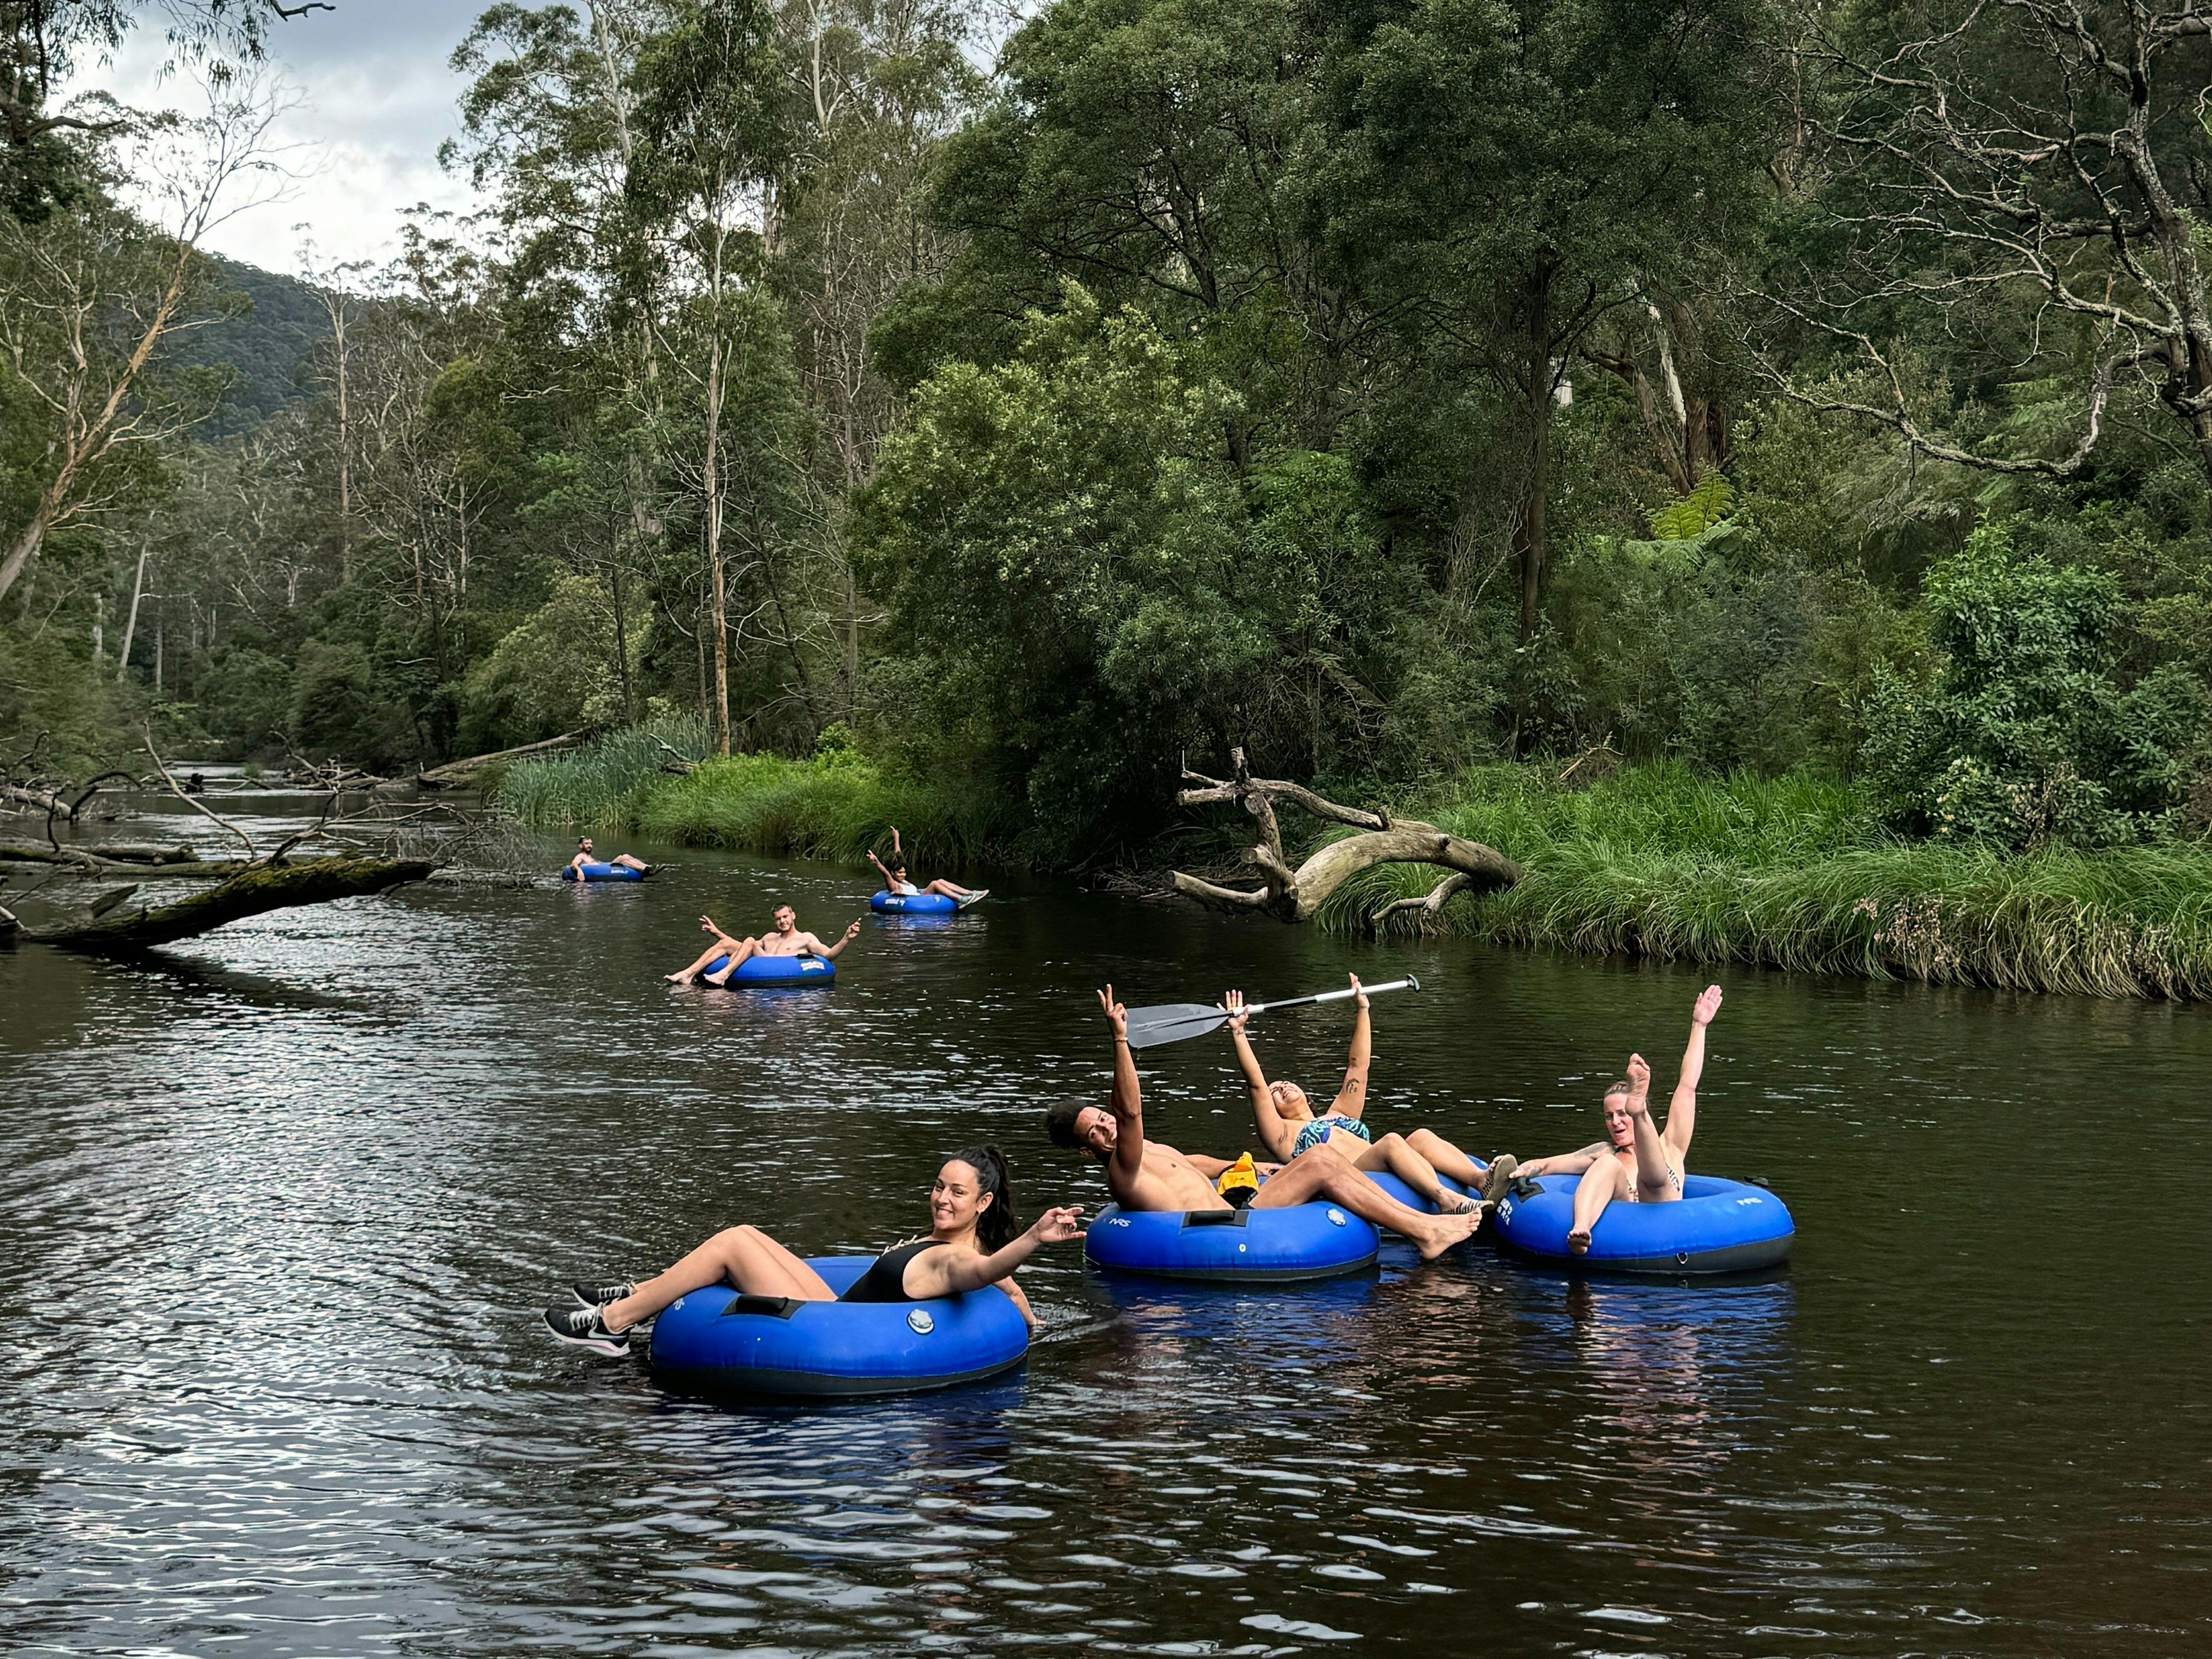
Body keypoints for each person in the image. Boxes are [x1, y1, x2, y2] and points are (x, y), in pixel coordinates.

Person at [1044, 988, 1485, 1260]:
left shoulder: (1146, 1150)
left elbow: (1187, 1162)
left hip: (1243, 1199)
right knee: (1320, 1162)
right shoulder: (1122, 1171)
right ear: (1088, 1151)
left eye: (1103, 1118)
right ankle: (1425, 1230)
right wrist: (1120, 1040)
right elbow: (1132, 1112)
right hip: (1230, 1223)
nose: (1108, 1129)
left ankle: (1426, 1219)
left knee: (1322, 1156)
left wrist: (1250, 1166)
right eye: (1096, 1133)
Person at [545, 1146, 1083, 1355]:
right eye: (939, 1185)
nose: (942, 1198)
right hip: (836, 1304)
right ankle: (640, 1293)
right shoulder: (943, 1242)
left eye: (957, 1193)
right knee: (747, 1232)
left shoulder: (957, 1259)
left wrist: (1034, 1238)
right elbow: (1005, 1284)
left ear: (983, 1202)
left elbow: (987, 1270)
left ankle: (613, 1324)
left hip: (830, 1325)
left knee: (733, 1243)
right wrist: (1030, 1320)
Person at [1482, 985, 1723, 1254]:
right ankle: (1581, 1229)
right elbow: (1549, 1165)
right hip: (1627, 1213)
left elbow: (1688, 1085)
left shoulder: (1672, 1143)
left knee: (1655, 1180)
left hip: (1662, 1205)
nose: (1615, 1122)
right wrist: (1518, 1170)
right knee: (1608, 1163)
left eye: (1622, 1114)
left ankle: (1639, 1110)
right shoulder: (1605, 1153)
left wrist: (1699, 1025)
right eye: (1609, 1116)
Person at [1223, 978, 1487, 1215]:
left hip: (1382, 1165)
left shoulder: (1341, 1113)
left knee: (1420, 1136)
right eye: (1276, 1092)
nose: (1282, 1088)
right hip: (1356, 1177)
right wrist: (1239, 1032)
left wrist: (1363, 1009)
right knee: (1392, 1142)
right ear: (1272, 1108)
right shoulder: (1282, 1135)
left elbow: (1358, 1066)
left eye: (1285, 1083)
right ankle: (1445, 1199)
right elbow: (1256, 1085)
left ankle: (1480, 1179)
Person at [664, 905, 863, 986]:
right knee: (728, 943)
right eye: (778, 919)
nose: (782, 922)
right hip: (762, 960)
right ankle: (687, 974)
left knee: (750, 940)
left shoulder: (806, 938)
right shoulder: (770, 937)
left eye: (785, 917)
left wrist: (846, 938)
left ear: (793, 916)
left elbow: (828, 956)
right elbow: (743, 948)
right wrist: (717, 932)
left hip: (780, 967)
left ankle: (723, 975)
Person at [867, 826, 987, 905]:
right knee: (935, 883)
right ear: (894, 874)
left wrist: (896, 838)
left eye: (904, 872)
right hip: (915, 902)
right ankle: (960, 899)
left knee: (939, 880)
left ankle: (971, 893)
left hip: (920, 896)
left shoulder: (904, 882)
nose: (903, 874)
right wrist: (877, 862)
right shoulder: (893, 885)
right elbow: (886, 873)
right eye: (900, 873)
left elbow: (900, 856)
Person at [569, 836, 647, 877]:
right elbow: (574, 864)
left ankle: (647, 867)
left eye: (591, 844)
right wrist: (579, 871)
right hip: (605, 870)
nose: (590, 846)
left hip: (607, 866)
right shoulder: (581, 856)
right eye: (587, 844)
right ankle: (644, 870)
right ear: (580, 846)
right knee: (624, 859)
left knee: (625, 856)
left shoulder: (589, 857)